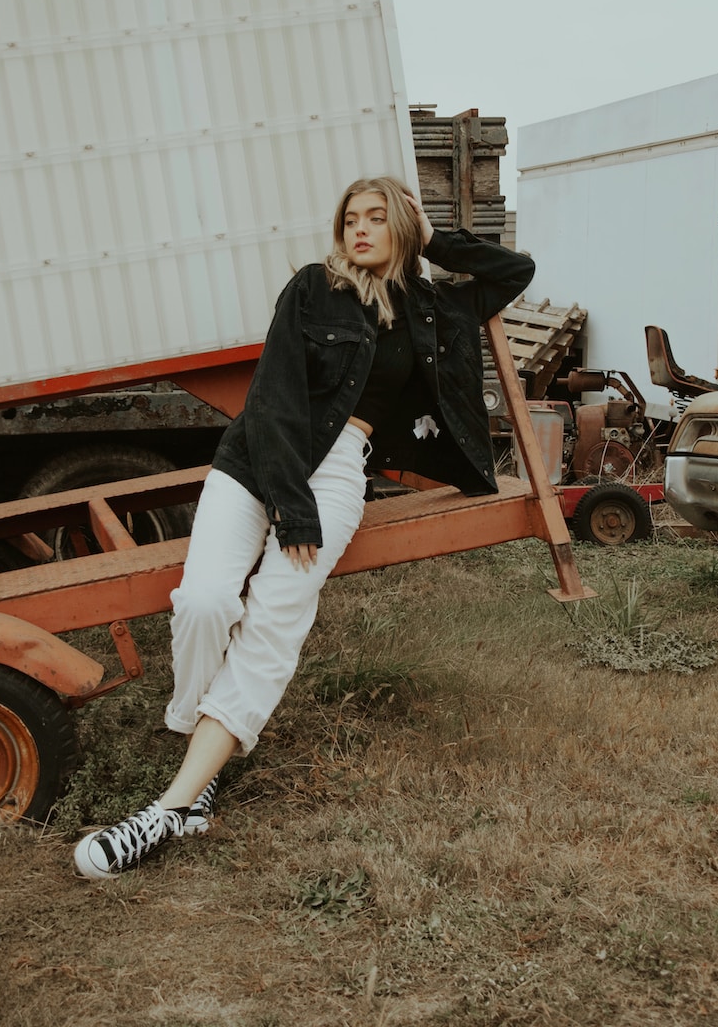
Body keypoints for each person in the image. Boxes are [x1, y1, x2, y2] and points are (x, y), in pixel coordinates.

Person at [74, 176, 535, 879]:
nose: (360, 230)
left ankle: (171, 806)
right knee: (204, 603)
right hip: (257, 455)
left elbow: (516, 271)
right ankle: (200, 744)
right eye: (351, 218)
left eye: (378, 218)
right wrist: (291, 504)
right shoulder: (314, 289)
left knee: (274, 619)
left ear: (403, 228)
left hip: (340, 469)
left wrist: (436, 237)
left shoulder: (433, 308)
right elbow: (277, 397)